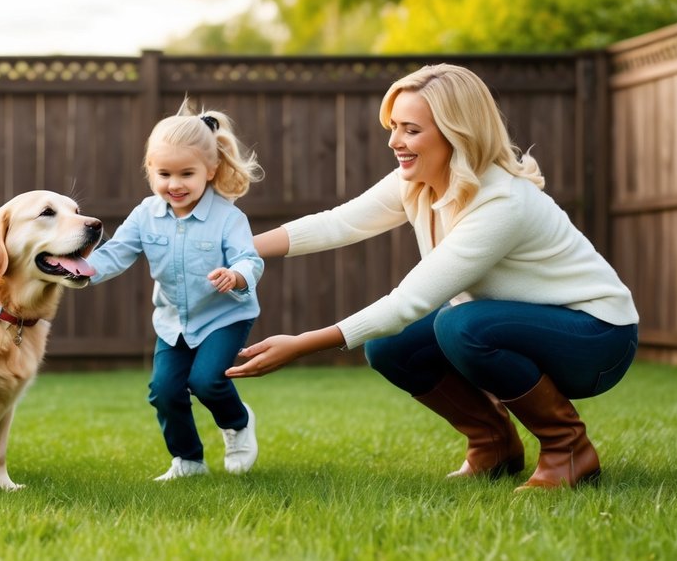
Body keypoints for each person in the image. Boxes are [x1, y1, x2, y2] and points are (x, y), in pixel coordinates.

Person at [226, 64, 639, 491]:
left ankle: (567, 448)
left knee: (461, 325)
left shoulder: (502, 203)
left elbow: (408, 302)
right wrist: (238, 249)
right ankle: (493, 444)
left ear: (455, 133)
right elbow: (339, 224)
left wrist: (300, 345)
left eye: (410, 129)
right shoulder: (418, 179)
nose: (394, 141)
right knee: (390, 345)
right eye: (393, 126)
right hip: (525, 325)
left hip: (597, 338)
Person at [89, 101, 265, 481]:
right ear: (150, 170)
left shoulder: (228, 218)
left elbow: (250, 260)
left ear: (211, 170)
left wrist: (235, 276)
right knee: (164, 390)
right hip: (174, 321)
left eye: (187, 173)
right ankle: (188, 461)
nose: (175, 184)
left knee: (206, 382)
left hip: (225, 315)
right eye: (164, 173)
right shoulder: (145, 215)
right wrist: (82, 270)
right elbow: (117, 253)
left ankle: (237, 422)